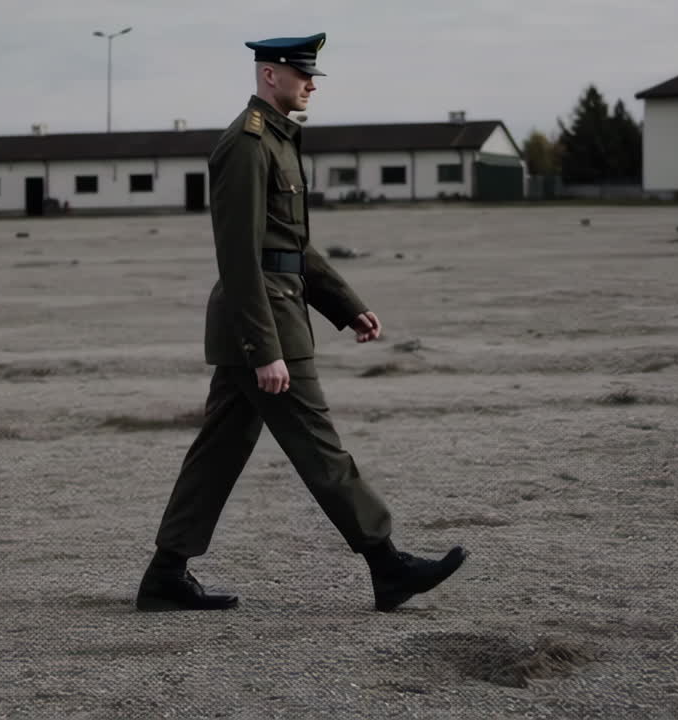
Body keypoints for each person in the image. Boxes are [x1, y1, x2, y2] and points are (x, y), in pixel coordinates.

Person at [135, 32, 466, 613]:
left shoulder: (280, 141)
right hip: (262, 323)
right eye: (301, 73)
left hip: (271, 315)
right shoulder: (247, 144)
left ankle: (165, 574)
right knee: (320, 447)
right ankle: (387, 564)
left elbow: (292, 245)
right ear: (269, 76)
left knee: (217, 455)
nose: (311, 83)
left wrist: (344, 303)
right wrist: (263, 347)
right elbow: (239, 255)